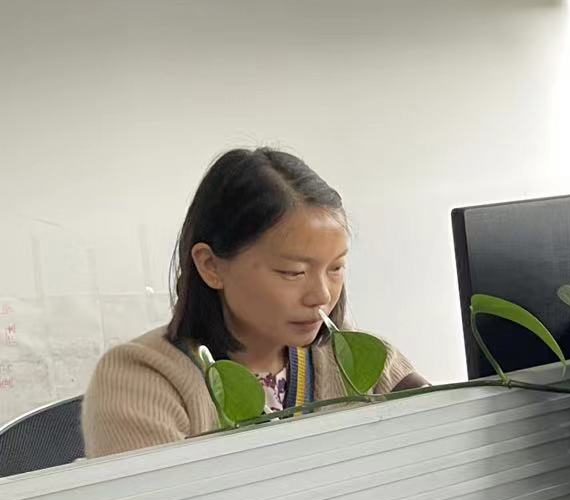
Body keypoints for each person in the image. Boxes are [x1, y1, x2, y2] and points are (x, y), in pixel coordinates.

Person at [83, 148, 424, 457]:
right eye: (292, 272)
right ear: (211, 266)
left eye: (336, 268)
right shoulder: (141, 378)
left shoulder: (353, 360)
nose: (321, 295)